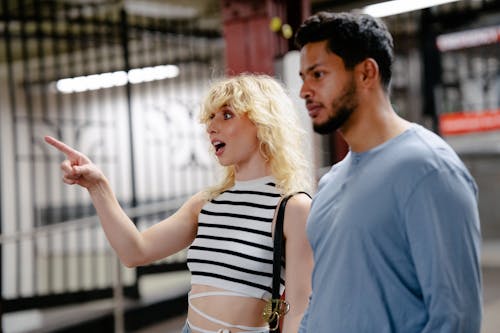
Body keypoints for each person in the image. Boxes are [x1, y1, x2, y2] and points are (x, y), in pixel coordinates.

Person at [45, 74, 314, 333]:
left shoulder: (293, 207)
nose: (211, 127)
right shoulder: (206, 203)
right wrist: (98, 185)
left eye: (227, 115)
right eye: (210, 117)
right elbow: (135, 251)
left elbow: (299, 306)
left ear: (263, 123)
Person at [294, 11, 482, 333]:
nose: (304, 91)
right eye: (303, 77)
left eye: (318, 74)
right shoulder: (329, 183)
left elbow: (456, 318)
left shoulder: (428, 170)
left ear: (366, 72)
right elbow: (323, 295)